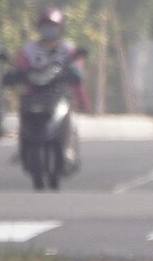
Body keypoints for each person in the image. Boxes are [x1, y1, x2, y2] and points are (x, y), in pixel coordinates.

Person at [5, 8, 91, 165]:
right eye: (45, 26)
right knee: (23, 111)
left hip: (59, 93)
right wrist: (13, 73)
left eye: (52, 26)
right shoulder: (28, 50)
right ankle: (22, 147)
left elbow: (76, 67)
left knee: (68, 114)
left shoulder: (67, 49)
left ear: (60, 28)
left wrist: (75, 73)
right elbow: (19, 65)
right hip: (34, 92)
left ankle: (67, 148)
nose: (49, 30)